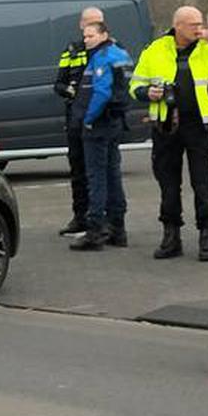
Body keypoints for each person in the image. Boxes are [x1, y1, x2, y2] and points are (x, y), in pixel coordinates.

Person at [129, 6, 208, 262]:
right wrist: (146, 92)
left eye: (200, 23)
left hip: (200, 125)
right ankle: (171, 236)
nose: (198, 28)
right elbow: (135, 84)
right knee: (168, 183)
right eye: (193, 24)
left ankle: (207, 234)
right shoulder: (156, 49)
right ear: (177, 25)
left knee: (203, 182)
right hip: (166, 125)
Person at [67, 19, 131, 251]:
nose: (86, 40)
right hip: (115, 122)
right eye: (84, 36)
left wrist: (87, 119)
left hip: (100, 124)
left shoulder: (102, 57)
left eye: (91, 36)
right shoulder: (120, 53)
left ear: (104, 35)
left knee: (96, 177)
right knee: (113, 175)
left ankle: (95, 231)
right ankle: (118, 228)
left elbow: (102, 92)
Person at [53, 6, 104, 237]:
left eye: (99, 23)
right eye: (90, 23)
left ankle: (103, 220)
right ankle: (80, 217)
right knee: (78, 170)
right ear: (81, 25)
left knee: (101, 172)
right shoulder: (71, 51)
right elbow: (58, 84)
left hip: (101, 120)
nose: (94, 27)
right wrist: (71, 91)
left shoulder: (111, 50)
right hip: (75, 119)